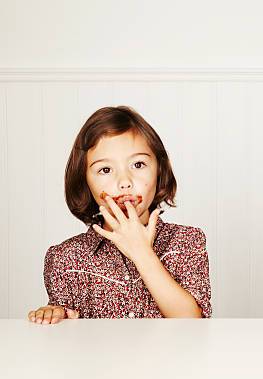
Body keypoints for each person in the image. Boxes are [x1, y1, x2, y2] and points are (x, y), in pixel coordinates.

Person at [27, 106, 212, 324]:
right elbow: (65, 337)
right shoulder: (65, 259)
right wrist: (54, 315)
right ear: (84, 181)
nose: (124, 181)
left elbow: (194, 324)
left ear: (159, 170)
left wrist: (142, 253)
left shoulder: (186, 242)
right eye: (105, 170)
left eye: (138, 164)